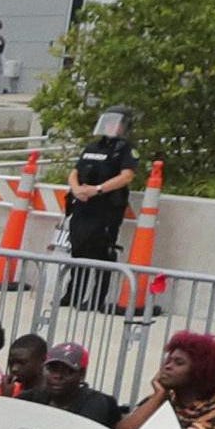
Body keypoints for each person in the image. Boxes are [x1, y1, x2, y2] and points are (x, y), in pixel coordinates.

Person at [56, 108, 139, 314]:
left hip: (107, 208)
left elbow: (127, 176)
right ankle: (73, 293)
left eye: (116, 123)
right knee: (78, 249)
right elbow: (75, 171)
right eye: (108, 122)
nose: (111, 127)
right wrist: (76, 189)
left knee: (102, 253)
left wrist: (98, 189)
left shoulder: (125, 149)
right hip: (83, 205)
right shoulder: (93, 146)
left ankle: (96, 299)